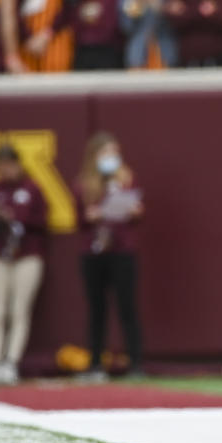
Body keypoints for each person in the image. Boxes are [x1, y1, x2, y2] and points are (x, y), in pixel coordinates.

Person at [73, 132, 144, 380]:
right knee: (97, 309)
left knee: (127, 307)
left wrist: (134, 210)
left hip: (121, 249)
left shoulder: (127, 180)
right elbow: (77, 219)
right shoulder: (84, 184)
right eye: (105, 153)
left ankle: (135, 363)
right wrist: (91, 215)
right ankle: (95, 363)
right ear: (94, 156)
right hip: (94, 251)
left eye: (115, 153)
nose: (111, 158)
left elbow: (137, 213)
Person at [0, 143, 47, 385]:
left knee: (19, 310)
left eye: (8, 164)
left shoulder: (32, 189)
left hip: (26, 255)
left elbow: (42, 222)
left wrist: (16, 217)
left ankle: (11, 362)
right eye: (0, 165)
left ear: (18, 164)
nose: (4, 169)